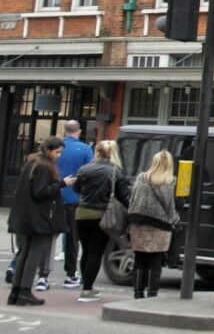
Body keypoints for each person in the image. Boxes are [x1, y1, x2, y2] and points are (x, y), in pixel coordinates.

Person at [7, 137, 75, 306]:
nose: (59, 156)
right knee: (34, 254)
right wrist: (62, 184)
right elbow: (40, 192)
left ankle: (16, 292)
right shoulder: (44, 167)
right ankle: (24, 292)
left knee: (25, 252)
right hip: (38, 218)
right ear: (49, 150)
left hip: (26, 216)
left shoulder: (32, 163)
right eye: (57, 152)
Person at [73, 140, 132, 302]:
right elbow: (124, 196)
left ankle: (86, 285)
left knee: (85, 251)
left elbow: (76, 188)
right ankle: (87, 290)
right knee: (95, 252)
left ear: (97, 151)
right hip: (103, 216)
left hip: (82, 214)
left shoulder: (84, 169)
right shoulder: (115, 172)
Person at [127, 150, 180, 299]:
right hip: (161, 225)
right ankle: (152, 293)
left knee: (140, 258)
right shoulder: (170, 182)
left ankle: (138, 292)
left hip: (139, 223)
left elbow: (133, 199)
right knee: (156, 260)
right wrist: (175, 220)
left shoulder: (141, 178)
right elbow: (170, 206)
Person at [55, 120, 92, 290]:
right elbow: (89, 173)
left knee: (45, 236)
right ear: (79, 131)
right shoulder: (85, 149)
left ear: (65, 131)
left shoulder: (55, 148)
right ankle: (71, 274)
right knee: (72, 238)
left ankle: (40, 274)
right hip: (74, 199)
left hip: (52, 197)